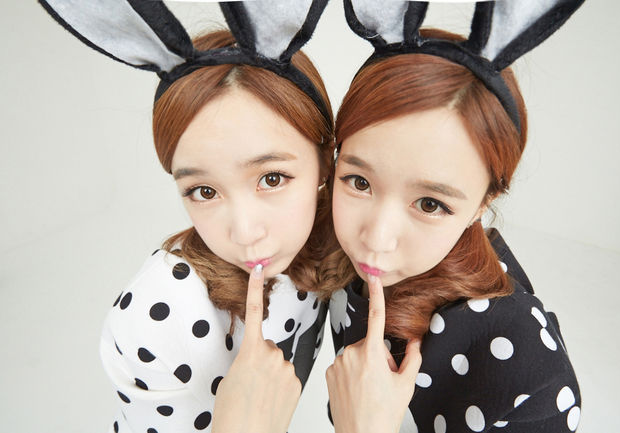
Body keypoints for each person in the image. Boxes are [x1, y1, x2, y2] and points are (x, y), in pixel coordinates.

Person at [37, 1, 346, 432]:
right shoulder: (158, 317)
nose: (245, 232)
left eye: (272, 178)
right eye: (204, 191)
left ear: (327, 161)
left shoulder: (344, 244)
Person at [325, 18, 582, 433]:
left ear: (483, 204)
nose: (376, 238)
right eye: (359, 182)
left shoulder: (530, 381)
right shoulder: (336, 261)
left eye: (430, 204)